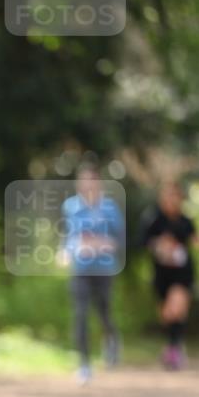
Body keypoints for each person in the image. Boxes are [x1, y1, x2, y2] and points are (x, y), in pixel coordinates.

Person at [61, 165, 124, 385]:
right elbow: (69, 236)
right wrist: (66, 252)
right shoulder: (71, 206)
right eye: (83, 182)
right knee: (80, 314)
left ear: (98, 184)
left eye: (91, 182)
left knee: (103, 311)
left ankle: (111, 338)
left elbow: (119, 240)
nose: (87, 186)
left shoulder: (110, 209)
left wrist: (103, 244)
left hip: (104, 269)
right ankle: (84, 364)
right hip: (80, 269)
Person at [140, 181, 196, 369]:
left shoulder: (185, 221)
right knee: (167, 314)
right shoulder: (154, 219)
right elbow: (142, 241)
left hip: (182, 273)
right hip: (162, 274)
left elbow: (193, 239)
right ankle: (174, 346)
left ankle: (174, 350)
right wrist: (159, 244)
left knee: (176, 307)